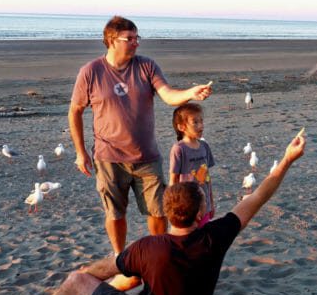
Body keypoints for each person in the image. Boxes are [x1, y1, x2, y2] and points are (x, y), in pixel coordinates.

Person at [13, 133, 306, 295]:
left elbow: (99, 271)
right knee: (129, 280)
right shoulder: (216, 236)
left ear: (167, 213)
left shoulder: (148, 247)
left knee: (78, 280)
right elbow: (258, 197)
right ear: (200, 212)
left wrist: (89, 286)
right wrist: (287, 159)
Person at [69, 15, 213, 257]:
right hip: (108, 157)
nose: (136, 43)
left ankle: (159, 253)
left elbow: (168, 95)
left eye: (137, 38)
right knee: (115, 213)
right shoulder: (90, 72)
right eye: (130, 38)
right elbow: (75, 111)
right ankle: (119, 256)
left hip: (147, 156)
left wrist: (191, 93)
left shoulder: (146, 66)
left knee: (158, 211)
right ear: (112, 40)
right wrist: (80, 152)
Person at [169, 103, 216, 226]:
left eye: (201, 121)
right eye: (195, 122)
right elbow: (173, 180)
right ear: (181, 127)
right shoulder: (179, 149)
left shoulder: (204, 146)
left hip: (205, 206)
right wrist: (173, 206)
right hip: (186, 207)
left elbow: (208, 178)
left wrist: (211, 202)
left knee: (203, 237)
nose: (201, 126)